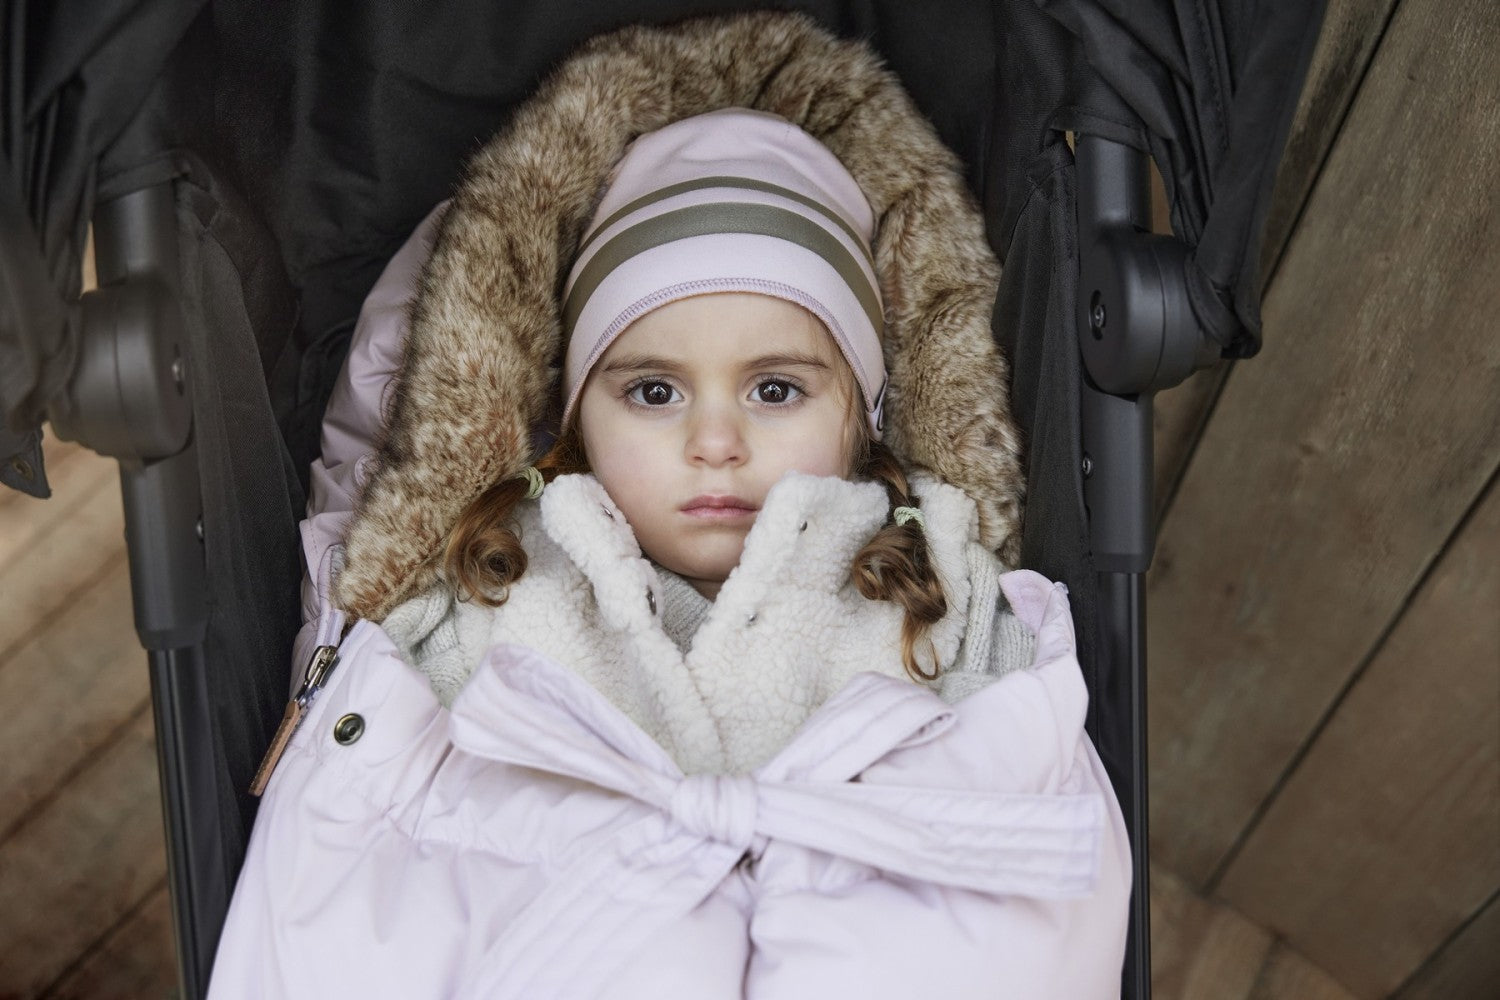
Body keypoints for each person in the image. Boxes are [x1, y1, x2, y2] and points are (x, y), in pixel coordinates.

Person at [210, 13, 1129, 1000]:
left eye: (776, 389)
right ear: (575, 421)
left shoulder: (934, 591)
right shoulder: (492, 578)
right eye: (653, 391)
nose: (716, 440)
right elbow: (378, 859)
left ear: (864, 421)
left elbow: (1017, 853)